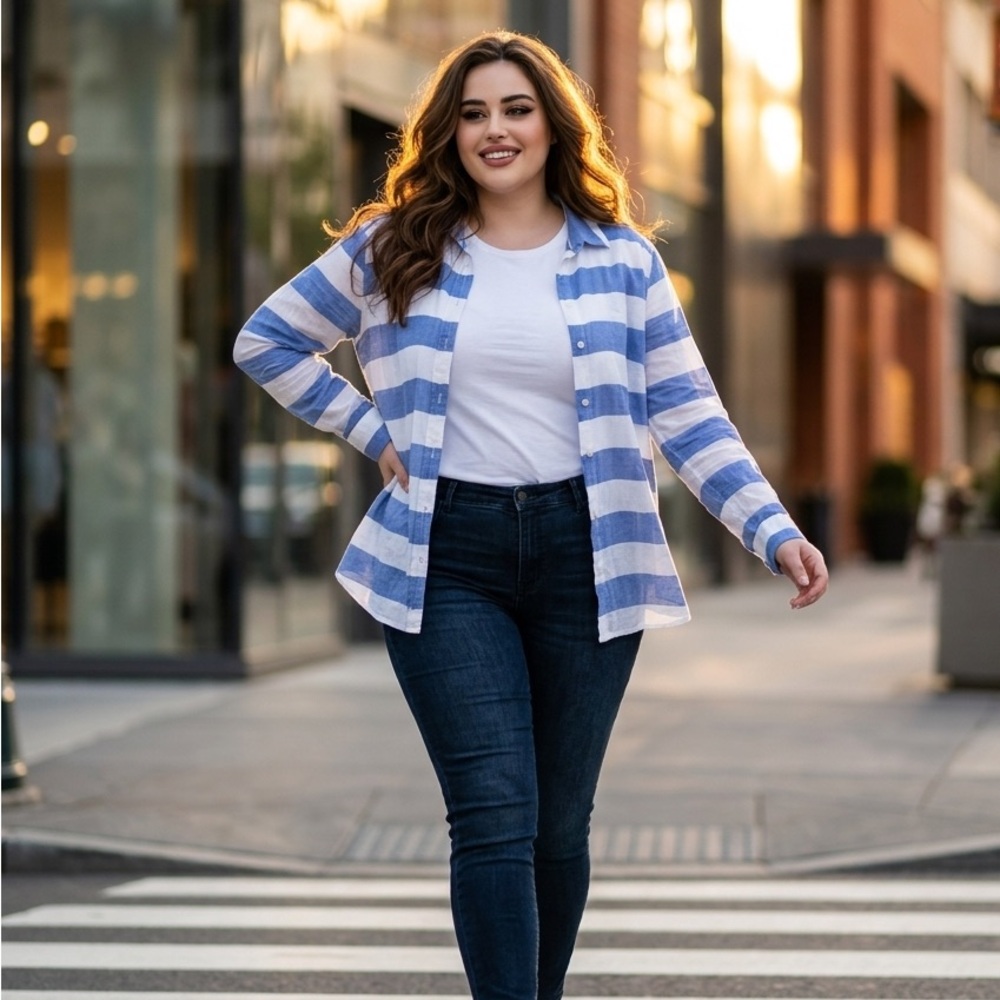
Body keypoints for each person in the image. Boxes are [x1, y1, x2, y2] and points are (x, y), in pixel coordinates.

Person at [234, 30, 828, 1000]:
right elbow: (267, 340)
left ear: (554, 124)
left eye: (515, 109)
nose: (493, 130)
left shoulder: (623, 260)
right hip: (445, 555)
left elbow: (687, 416)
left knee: (557, 823)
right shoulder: (396, 245)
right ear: (448, 132)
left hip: (586, 553)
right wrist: (366, 425)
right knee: (492, 810)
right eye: (472, 113)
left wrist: (773, 531)